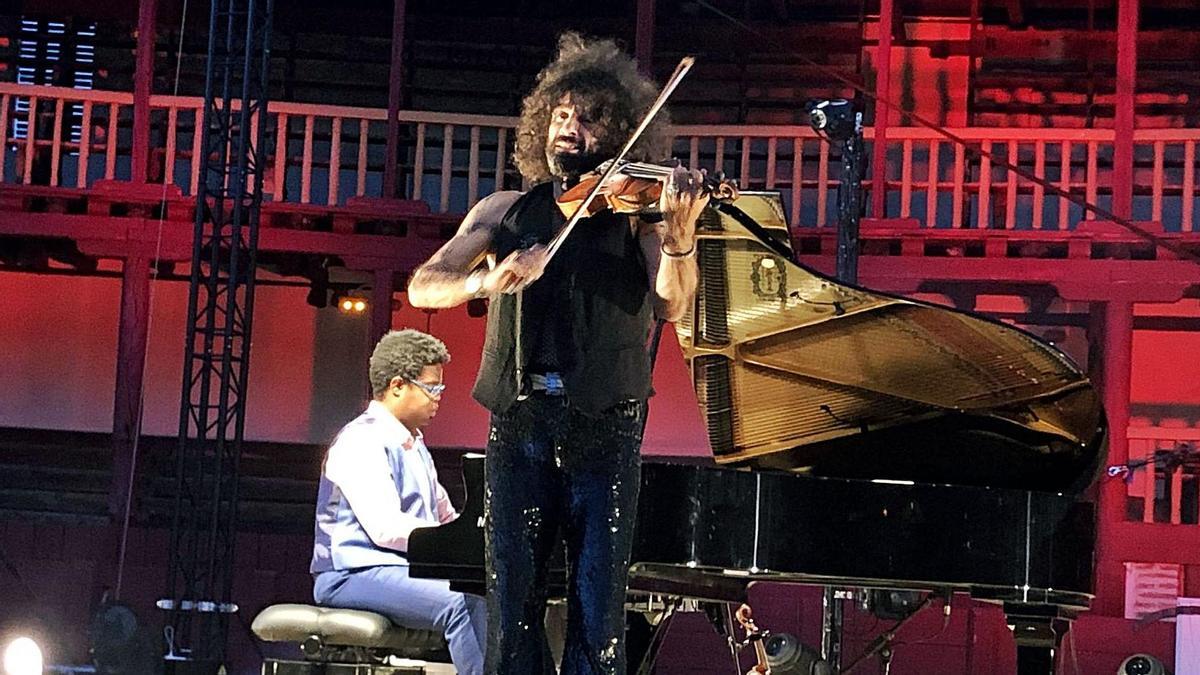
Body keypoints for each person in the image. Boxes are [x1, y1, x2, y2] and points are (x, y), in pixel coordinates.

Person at [407, 32, 708, 675]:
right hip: (518, 427)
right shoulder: (505, 211)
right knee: (511, 607)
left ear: (621, 131)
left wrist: (680, 239)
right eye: (561, 115)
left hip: (606, 429)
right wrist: (483, 281)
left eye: (590, 119)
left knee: (598, 612)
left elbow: (673, 306)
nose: (569, 129)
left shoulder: (636, 219)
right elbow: (423, 284)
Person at [310, 329, 486, 675]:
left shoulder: (413, 445)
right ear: (397, 386)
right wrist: (452, 544)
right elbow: (386, 530)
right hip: (352, 574)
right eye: (432, 388)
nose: (438, 398)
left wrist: (471, 545)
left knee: (499, 591)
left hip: (397, 569)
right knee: (464, 603)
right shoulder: (362, 440)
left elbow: (446, 517)